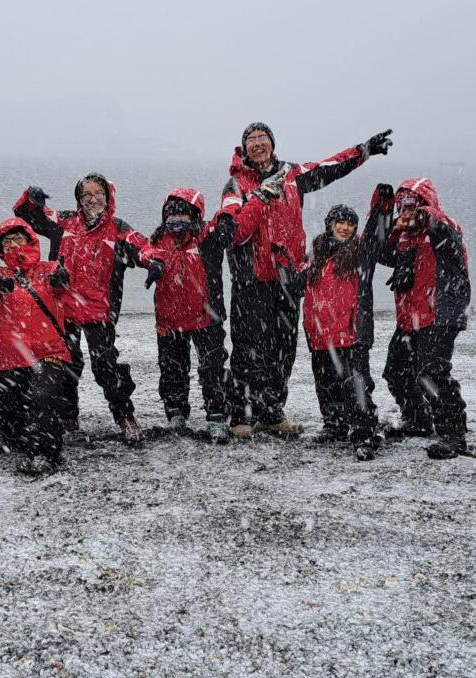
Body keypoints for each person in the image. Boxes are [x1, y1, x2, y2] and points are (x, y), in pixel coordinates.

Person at [221, 122, 393, 440]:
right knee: (248, 350)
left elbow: (331, 167)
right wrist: (260, 197)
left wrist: (364, 150)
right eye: (251, 139)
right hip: (251, 281)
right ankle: (241, 414)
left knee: (283, 350)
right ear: (244, 149)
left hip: (288, 280)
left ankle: (271, 413)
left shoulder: (292, 175)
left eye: (262, 137)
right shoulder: (236, 184)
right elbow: (235, 233)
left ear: (273, 143)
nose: (257, 143)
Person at [13, 175, 162, 444]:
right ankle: (67, 416)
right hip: (62, 308)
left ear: (108, 197)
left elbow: (142, 247)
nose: (93, 199)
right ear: (79, 199)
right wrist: (30, 198)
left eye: (98, 193)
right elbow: (26, 216)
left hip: (100, 312)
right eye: (86, 194)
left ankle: (124, 416)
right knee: (65, 363)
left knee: (106, 366)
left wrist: (154, 263)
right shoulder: (64, 221)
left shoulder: (118, 229)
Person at [145, 188, 266, 443]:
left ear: (196, 214)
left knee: (212, 369)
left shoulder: (208, 236)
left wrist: (227, 215)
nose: (177, 219)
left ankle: (216, 416)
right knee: (171, 369)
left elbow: (228, 219)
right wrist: (149, 265)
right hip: (168, 319)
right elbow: (140, 253)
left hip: (206, 318)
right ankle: (176, 415)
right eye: (171, 214)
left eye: (183, 214)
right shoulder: (156, 240)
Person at [278, 198, 391, 460]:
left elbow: (376, 236)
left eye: (350, 223)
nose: (345, 227)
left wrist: (382, 207)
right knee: (326, 384)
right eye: (340, 222)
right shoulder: (316, 254)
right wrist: (283, 260)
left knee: (356, 385)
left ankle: (364, 434)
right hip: (320, 334)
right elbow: (297, 283)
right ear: (330, 224)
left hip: (351, 333)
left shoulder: (360, 252)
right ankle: (335, 426)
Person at [378, 178, 470, 459]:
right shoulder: (405, 238)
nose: (406, 210)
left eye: (412, 204)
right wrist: (383, 212)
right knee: (396, 371)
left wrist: (421, 214)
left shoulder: (445, 227)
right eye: (402, 205)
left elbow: (437, 222)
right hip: (411, 317)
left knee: (432, 374)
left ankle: (453, 434)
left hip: (441, 313)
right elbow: (379, 251)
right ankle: (418, 420)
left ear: (425, 203)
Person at [0, 217, 71, 474]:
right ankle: (19, 440)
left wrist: (62, 279)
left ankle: (45, 452)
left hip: (48, 350)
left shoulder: (50, 269)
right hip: (8, 354)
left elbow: (64, 284)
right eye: (6, 242)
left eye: (17, 239)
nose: (12, 245)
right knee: (2, 408)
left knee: (43, 397)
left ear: (30, 240)